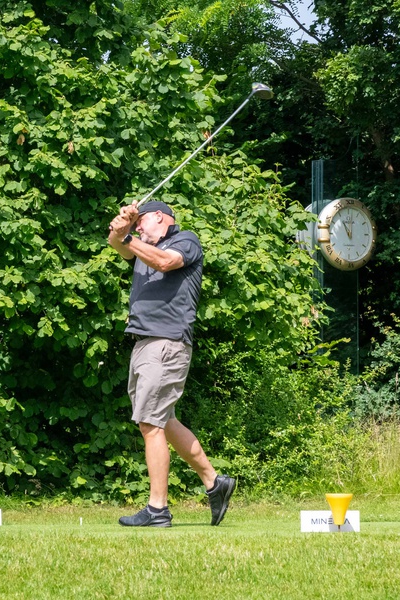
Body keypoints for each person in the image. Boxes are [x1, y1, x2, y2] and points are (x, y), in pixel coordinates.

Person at [107, 200, 236, 527]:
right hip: (145, 342)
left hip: (167, 342)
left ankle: (158, 509)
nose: (138, 228)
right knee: (162, 420)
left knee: (150, 423)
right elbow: (117, 244)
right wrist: (121, 228)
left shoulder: (185, 240)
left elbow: (165, 262)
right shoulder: (140, 246)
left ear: (160, 217)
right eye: (136, 225)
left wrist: (128, 236)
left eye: (142, 221)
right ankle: (215, 482)